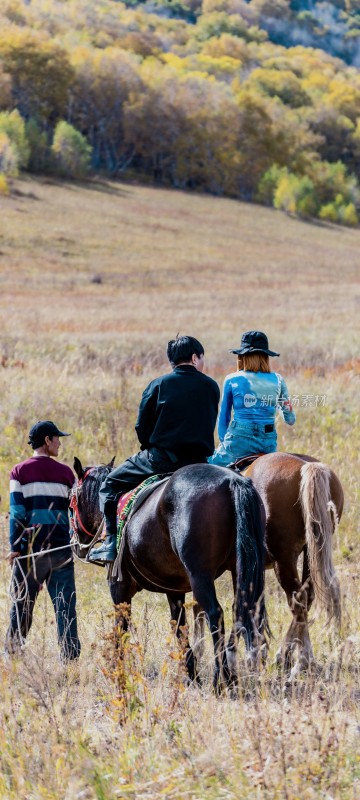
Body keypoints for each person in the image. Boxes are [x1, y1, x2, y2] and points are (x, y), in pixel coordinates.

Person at [90, 335, 220, 563]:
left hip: (161, 459)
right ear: (194, 357)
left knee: (109, 484)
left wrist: (149, 447)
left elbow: (142, 426)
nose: (202, 362)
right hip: (199, 463)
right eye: (202, 358)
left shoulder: (158, 385)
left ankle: (110, 542)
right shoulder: (211, 386)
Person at [5, 420, 81, 661]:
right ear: (47, 441)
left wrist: (16, 547)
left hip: (30, 551)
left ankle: (13, 654)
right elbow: (74, 513)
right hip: (61, 551)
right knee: (65, 606)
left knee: (22, 606)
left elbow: (17, 513)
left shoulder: (19, 472)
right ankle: (70, 658)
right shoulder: (67, 473)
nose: (60, 442)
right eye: (57, 438)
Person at [208, 330, 296, 467]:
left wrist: (224, 443)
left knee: (209, 468)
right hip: (267, 442)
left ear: (242, 357)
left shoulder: (232, 379)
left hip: (238, 440)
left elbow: (224, 416)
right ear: (266, 357)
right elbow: (290, 420)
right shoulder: (278, 379)